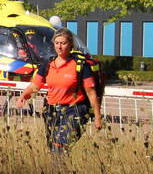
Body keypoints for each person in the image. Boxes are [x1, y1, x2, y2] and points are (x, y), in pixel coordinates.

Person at [16, 27, 102, 155]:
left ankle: (57, 172)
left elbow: (91, 92)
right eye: (57, 43)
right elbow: (35, 85)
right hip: (52, 111)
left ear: (71, 44)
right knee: (53, 148)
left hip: (74, 110)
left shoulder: (80, 65)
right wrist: (23, 96)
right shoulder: (48, 64)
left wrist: (98, 117)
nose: (60, 47)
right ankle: (61, 173)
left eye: (63, 43)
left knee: (60, 146)